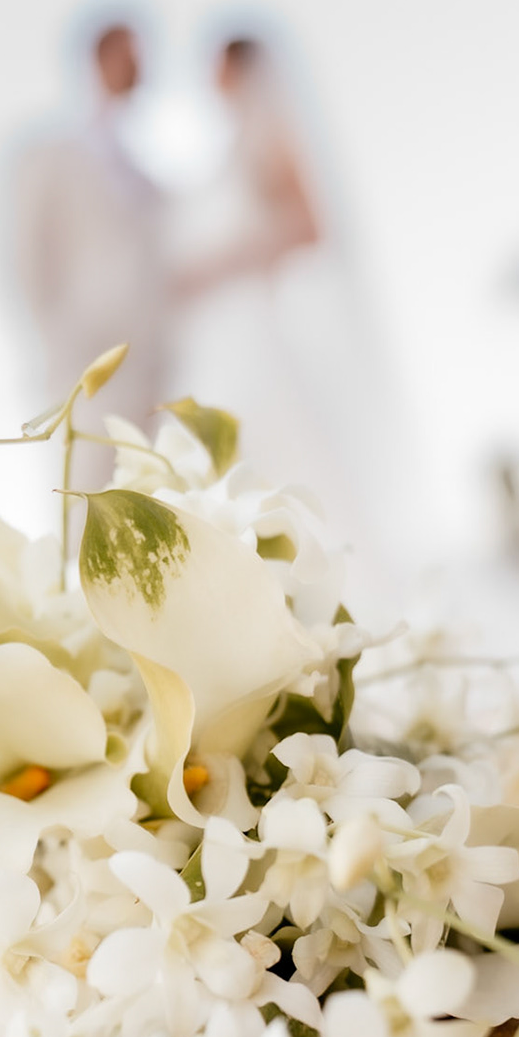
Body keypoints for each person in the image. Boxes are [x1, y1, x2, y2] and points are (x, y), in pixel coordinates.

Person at [167, 34, 424, 610]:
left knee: (285, 467)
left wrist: (219, 265)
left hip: (255, 331)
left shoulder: (266, 136)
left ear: (238, 67)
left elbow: (308, 225)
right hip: (221, 340)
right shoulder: (232, 144)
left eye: (217, 66)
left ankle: (349, 606)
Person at [7, 20, 168, 475]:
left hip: (152, 360)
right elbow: (29, 256)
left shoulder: (146, 169)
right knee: (84, 487)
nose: (139, 69)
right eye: (130, 56)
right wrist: (59, 337)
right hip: (82, 360)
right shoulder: (50, 154)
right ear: (100, 61)